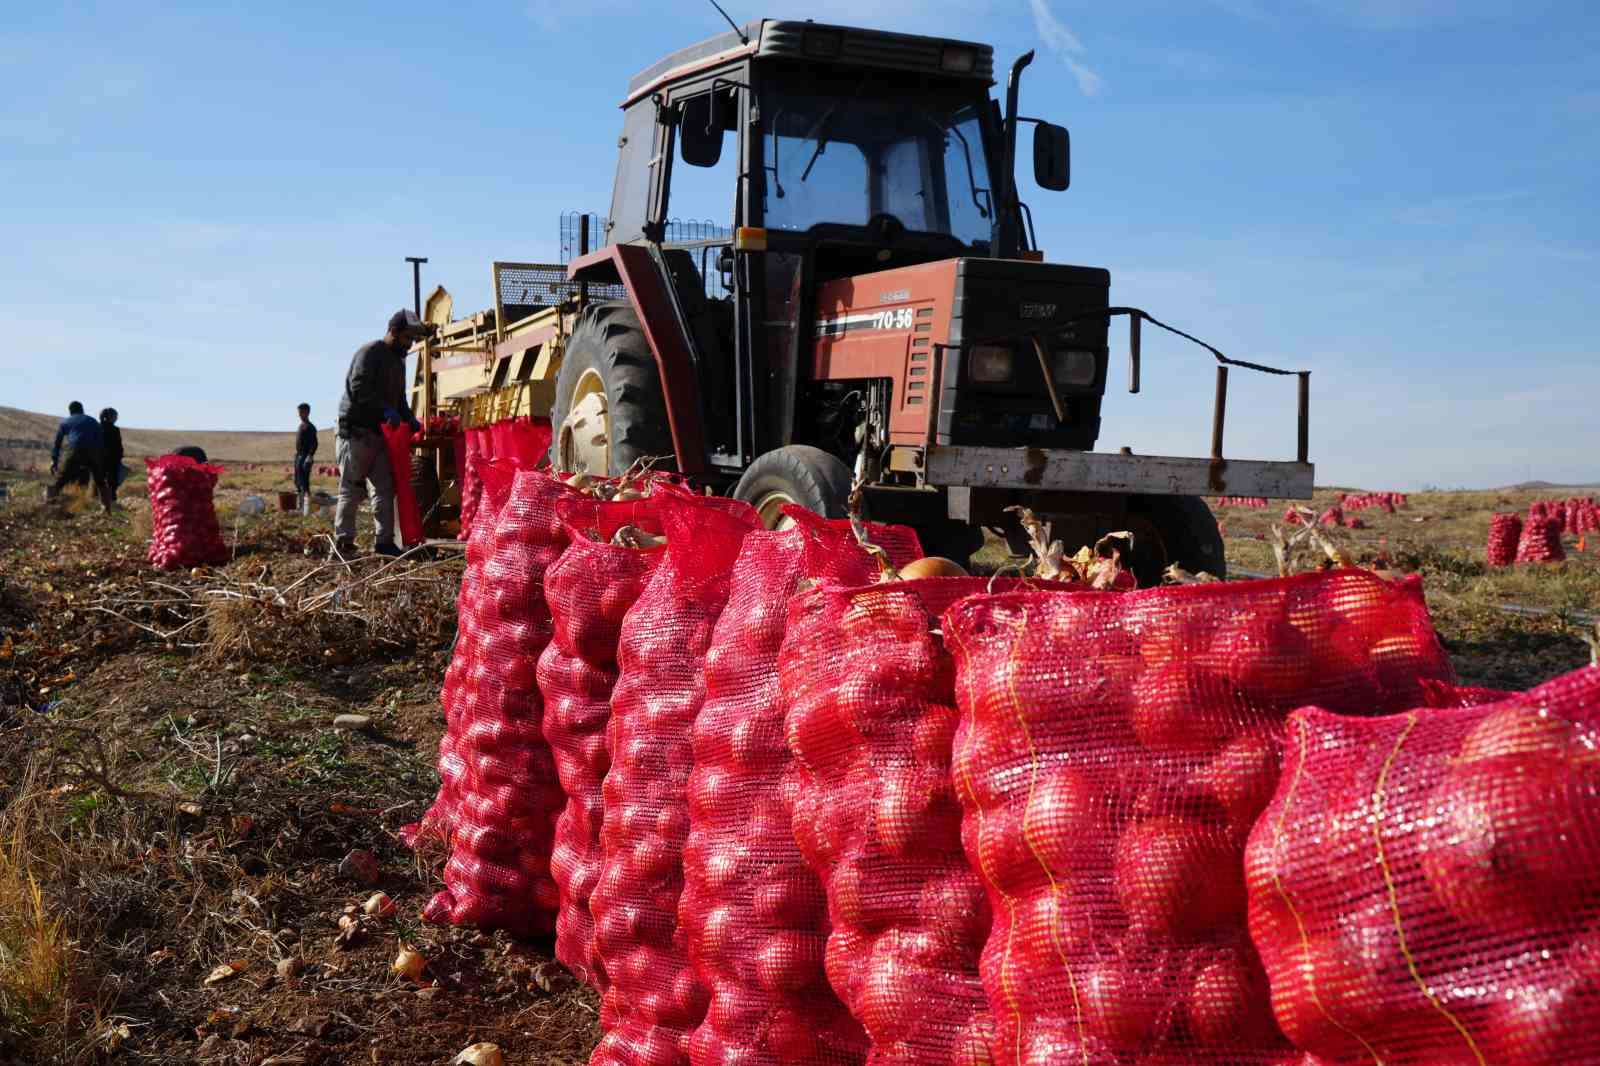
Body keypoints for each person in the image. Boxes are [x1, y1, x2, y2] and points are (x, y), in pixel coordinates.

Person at [334, 309, 424, 558]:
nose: (410, 344)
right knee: (352, 487)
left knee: (385, 488)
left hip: (379, 434)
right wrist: (384, 409)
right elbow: (358, 388)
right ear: (393, 332)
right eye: (407, 338)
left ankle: (384, 543)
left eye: (413, 339)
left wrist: (408, 417)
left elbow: (400, 398)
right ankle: (344, 542)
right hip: (355, 432)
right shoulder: (370, 352)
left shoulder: (398, 362)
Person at [47, 401, 110, 511]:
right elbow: (101, 441)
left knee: (60, 480)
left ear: (70, 411)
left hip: (75, 449)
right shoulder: (93, 421)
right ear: (82, 410)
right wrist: (100, 460)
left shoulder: (65, 422)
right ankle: (106, 509)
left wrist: (54, 460)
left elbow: (57, 443)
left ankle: (49, 505)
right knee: (100, 481)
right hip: (94, 450)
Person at [294, 402, 318, 515]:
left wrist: (310, 456)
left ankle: (306, 508)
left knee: (304, 482)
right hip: (298, 456)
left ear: (307, 412)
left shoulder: (310, 427)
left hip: (305, 457)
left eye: (301, 412)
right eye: (299, 412)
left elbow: (315, 443)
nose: (299, 414)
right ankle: (301, 505)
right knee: (297, 481)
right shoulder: (301, 426)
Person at [98, 408, 124, 508]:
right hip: (112, 460)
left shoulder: (97, 427)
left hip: (99, 459)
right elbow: (118, 446)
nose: (116, 418)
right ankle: (111, 500)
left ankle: (100, 500)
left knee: (99, 480)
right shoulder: (114, 430)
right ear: (109, 417)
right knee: (112, 481)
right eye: (115, 416)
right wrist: (119, 456)